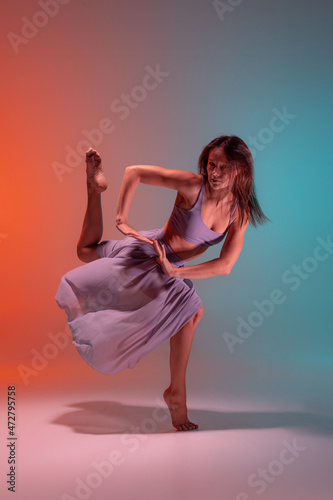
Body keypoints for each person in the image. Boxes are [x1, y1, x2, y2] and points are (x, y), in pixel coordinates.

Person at [55, 135, 270, 432]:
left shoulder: (239, 212)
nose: (215, 173)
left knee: (87, 251)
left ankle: (94, 190)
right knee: (189, 308)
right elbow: (134, 172)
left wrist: (176, 272)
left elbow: (225, 265)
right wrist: (122, 219)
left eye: (224, 167)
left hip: (169, 267)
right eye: (212, 164)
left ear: (241, 171)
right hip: (149, 252)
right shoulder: (194, 185)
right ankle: (177, 394)